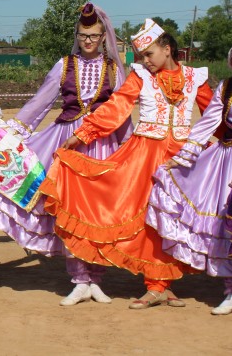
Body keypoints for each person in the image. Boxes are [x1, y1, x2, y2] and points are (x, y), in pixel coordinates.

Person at [41, 19, 213, 309]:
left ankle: (165, 284)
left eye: (149, 54)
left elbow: (213, 115)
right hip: (144, 156)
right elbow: (116, 107)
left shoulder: (196, 78)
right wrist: (82, 134)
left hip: (183, 159)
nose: (145, 61)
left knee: (174, 220)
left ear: (167, 49)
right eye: (142, 56)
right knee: (147, 219)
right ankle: (153, 284)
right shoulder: (141, 76)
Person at [0, 3, 130, 306]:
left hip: (102, 145)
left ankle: (96, 278)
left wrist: (129, 148)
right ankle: (79, 278)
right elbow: (41, 101)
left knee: (97, 213)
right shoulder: (64, 65)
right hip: (66, 144)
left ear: (103, 36)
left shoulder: (115, 70)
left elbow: (121, 115)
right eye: (83, 35)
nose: (88, 40)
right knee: (70, 211)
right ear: (77, 36)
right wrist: (16, 129)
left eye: (93, 35)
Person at [147, 46, 232, 315]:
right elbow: (207, 123)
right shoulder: (226, 88)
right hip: (226, 161)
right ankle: (231, 292)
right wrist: (183, 158)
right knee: (227, 226)